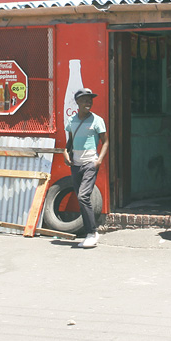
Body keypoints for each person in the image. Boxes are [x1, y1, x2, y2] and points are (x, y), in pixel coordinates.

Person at [64, 87, 108, 248]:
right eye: (84, 99)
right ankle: (89, 232)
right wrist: (65, 153)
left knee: (83, 196)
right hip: (75, 164)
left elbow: (106, 142)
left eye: (90, 99)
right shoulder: (71, 121)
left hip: (90, 163)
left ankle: (92, 232)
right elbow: (69, 143)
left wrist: (99, 160)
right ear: (77, 102)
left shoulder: (97, 120)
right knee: (81, 198)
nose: (88, 102)